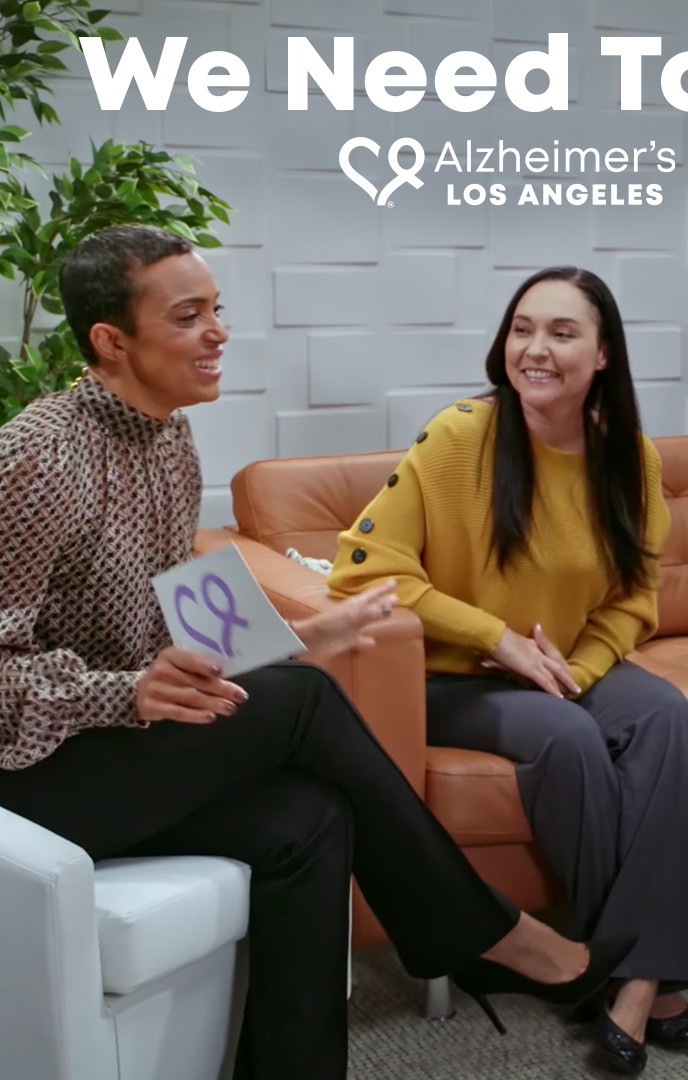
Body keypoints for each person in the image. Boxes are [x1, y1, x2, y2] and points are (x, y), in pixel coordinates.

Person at [0, 226, 634, 1080]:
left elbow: (178, 629)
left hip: (114, 753)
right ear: (112, 341)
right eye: (190, 318)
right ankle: (487, 934)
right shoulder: (38, 455)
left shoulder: (171, 441)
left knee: (309, 818)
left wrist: (300, 636)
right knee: (304, 702)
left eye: (216, 311)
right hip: (31, 777)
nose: (220, 334)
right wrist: (124, 695)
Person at [328, 267, 688, 1075]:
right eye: (522, 329)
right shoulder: (462, 435)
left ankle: (634, 979)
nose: (536, 349)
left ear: (603, 355)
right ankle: (651, 984)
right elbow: (365, 569)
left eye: (562, 333)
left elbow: (634, 598)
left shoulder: (628, 459)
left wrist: (580, 666)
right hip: (452, 677)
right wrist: (498, 639)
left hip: (561, 665)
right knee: (568, 737)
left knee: (664, 712)